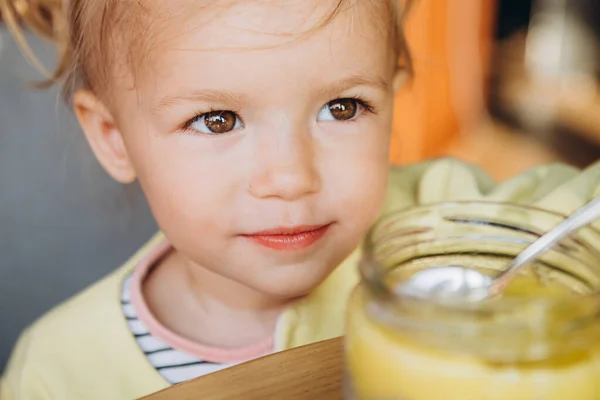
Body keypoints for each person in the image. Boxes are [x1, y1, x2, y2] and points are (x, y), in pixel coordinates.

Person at [1, 0, 599, 399]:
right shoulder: (55, 372)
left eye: (343, 108)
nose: (290, 178)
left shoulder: (440, 228)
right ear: (114, 138)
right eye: (217, 120)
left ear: (392, 94)